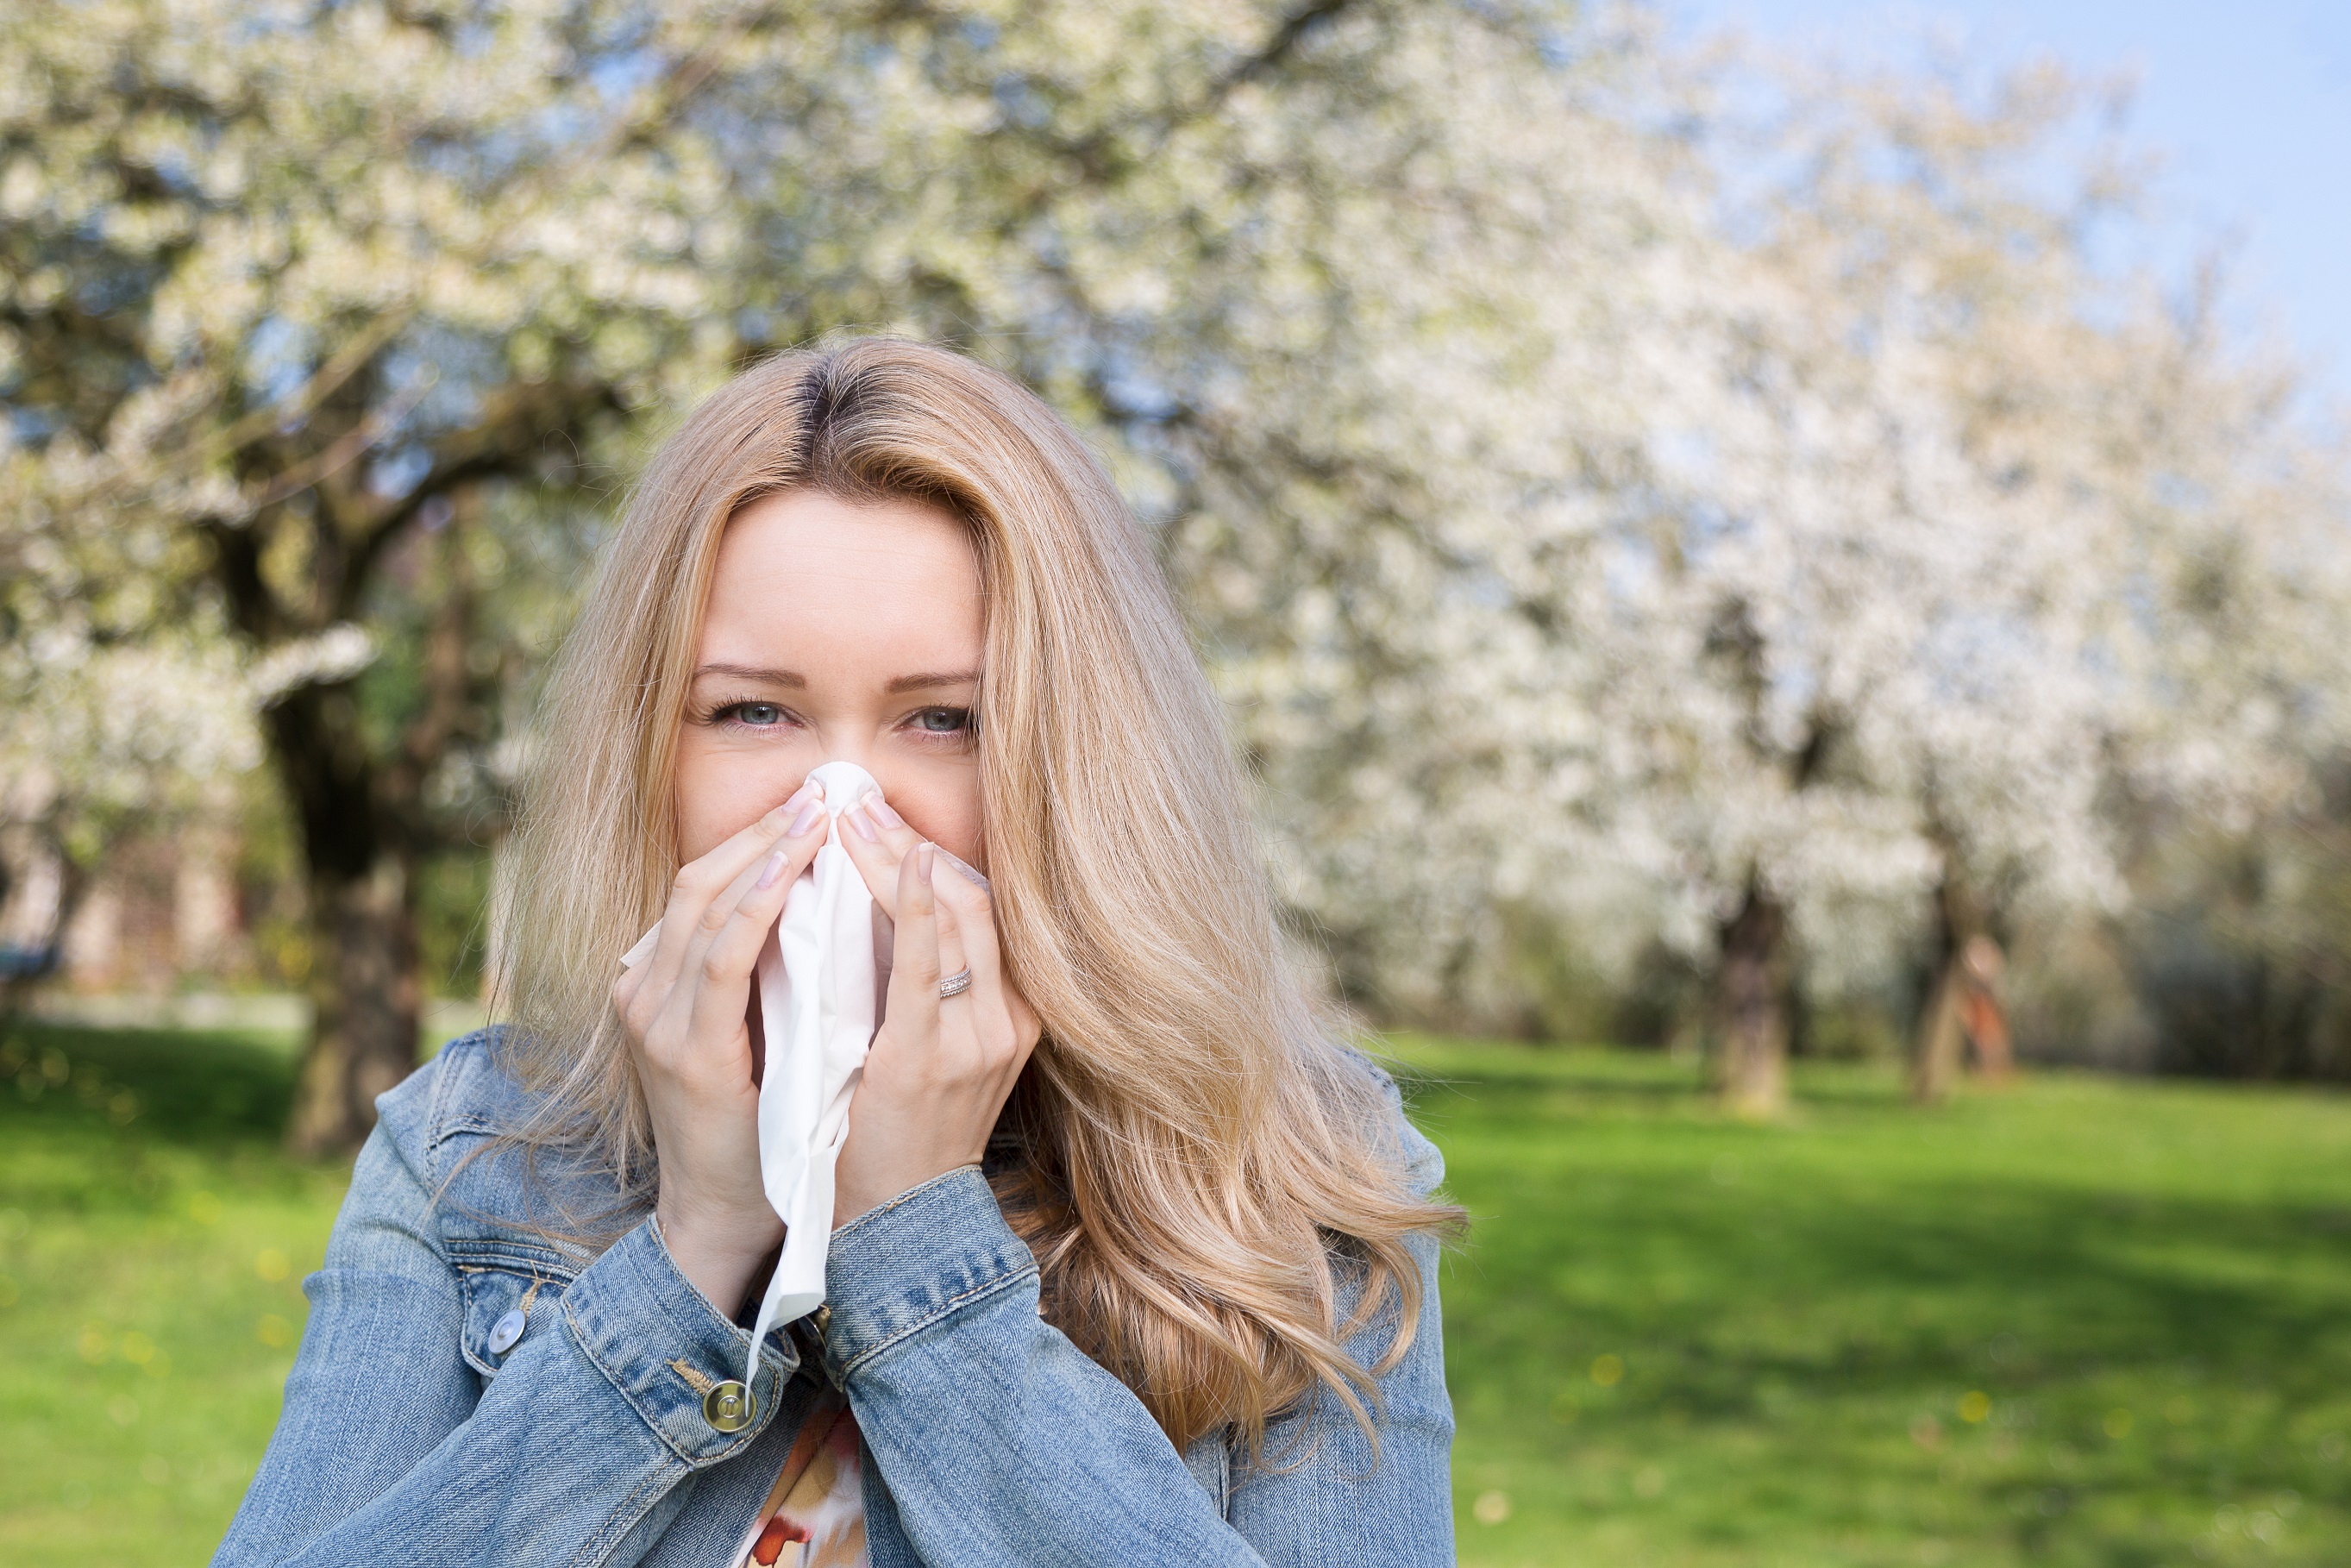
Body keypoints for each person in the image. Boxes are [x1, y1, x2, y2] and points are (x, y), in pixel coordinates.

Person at [213, 338, 1460, 1567]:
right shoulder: (469, 1150)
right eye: (754, 709)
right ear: (651, 749)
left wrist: (916, 1246)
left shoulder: (1296, 1175)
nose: (839, 800)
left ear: (1074, 758)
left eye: (944, 720)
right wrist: (695, 1254)